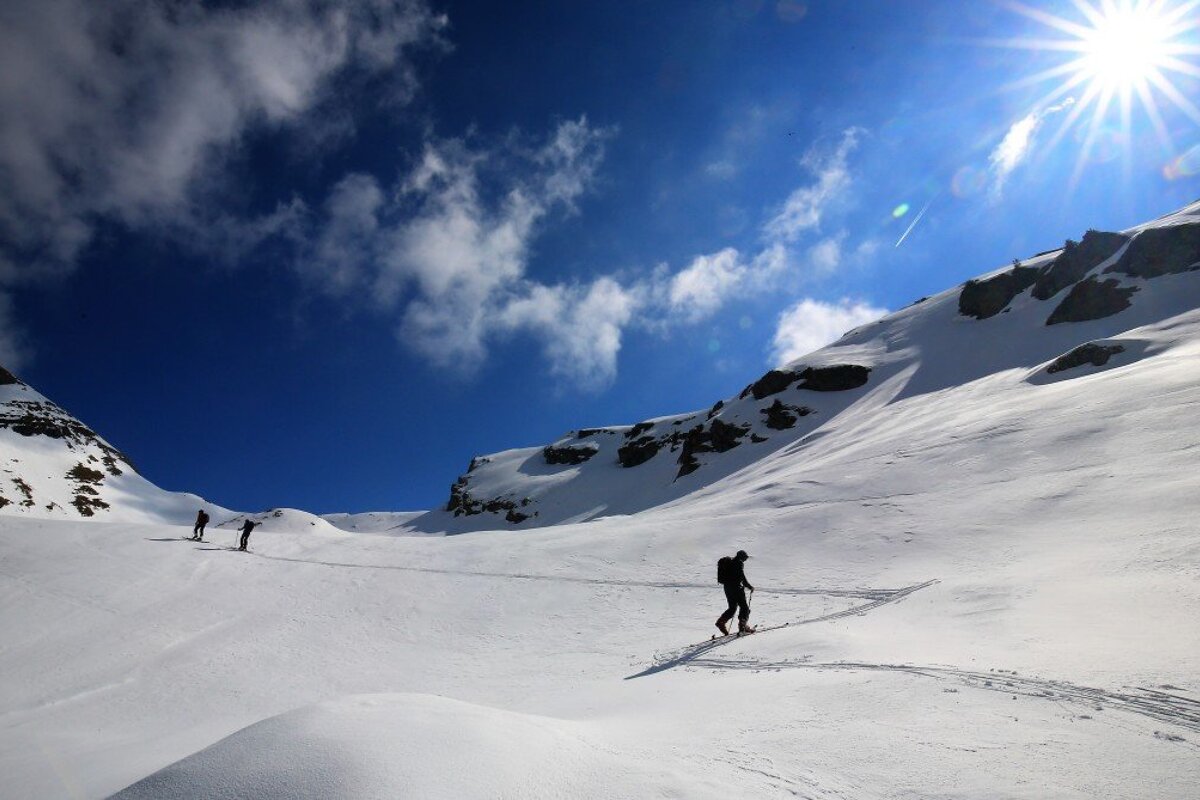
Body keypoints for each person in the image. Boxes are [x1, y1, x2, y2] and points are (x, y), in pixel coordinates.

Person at [716, 550, 755, 635]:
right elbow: (742, 578)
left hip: (727, 588)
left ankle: (721, 622)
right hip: (736, 588)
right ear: (742, 557)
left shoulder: (729, 562)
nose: (745, 560)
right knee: (744, 608)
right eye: (745, 558)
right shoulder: (739, 563)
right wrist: (750, 587)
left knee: (732, 608)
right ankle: (743, 626)